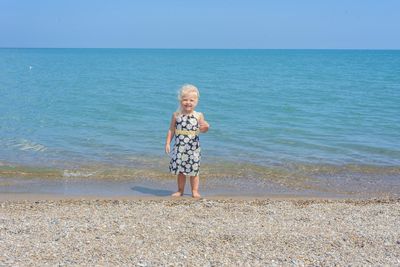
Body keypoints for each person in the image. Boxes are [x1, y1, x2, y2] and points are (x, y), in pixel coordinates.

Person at [165, 84, 209, 198]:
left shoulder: (198, 115)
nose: (188, 102)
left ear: (196, 102)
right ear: (180, 101)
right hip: (180, 148)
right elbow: (171, 129)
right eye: (185, 100)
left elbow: (203, 129)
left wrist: (206, 127)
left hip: (193, 148)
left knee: (194, 171)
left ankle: (195, 191)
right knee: (181, 171)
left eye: (191, 100)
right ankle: (180, 190)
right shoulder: (176, 115)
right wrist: (168, 143)